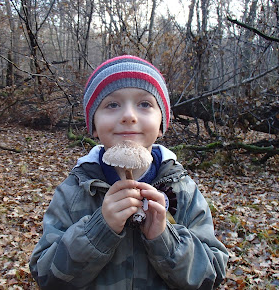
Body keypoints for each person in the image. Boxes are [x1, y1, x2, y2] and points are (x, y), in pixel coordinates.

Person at [29, 55, 228, 289]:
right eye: (112, 104)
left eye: (145, 104)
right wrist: (99, 230)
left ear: (163, 123)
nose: (129, 116)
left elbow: (212, 275)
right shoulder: (75, 190)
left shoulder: (182, 189)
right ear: (93, 125)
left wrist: (164, 239)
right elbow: (46, 275)